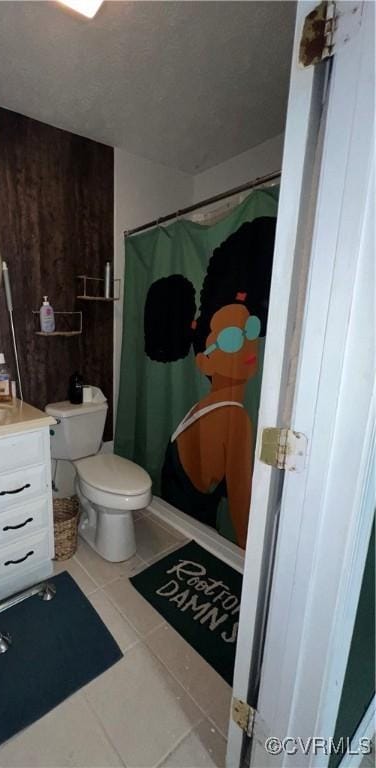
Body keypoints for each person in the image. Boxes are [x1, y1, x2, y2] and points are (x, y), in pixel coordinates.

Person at [158, 217, 276, 548]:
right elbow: (243, 512)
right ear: (203, 361)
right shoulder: (234, 417)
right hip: (198, 543)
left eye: (250, 329)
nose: (247, 345)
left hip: (177, 534)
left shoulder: (201, 408)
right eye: (229, 339)